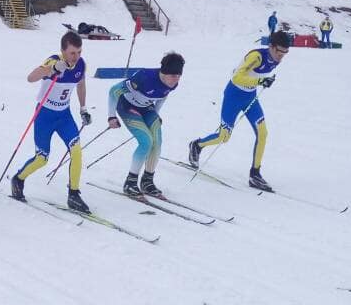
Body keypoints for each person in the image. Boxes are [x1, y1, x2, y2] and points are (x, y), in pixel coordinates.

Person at [187, 31, 290, 191]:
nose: (281, 56)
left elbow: (258, 75)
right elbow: (236, 77)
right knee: (224, 136)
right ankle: (197, 145)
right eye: (279, 51)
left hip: (250, 97)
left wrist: (264, 81)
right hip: (233, 96)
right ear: (270, 46)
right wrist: (261, 80)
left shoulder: (276, 59)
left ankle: (255, 174)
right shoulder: (256, 57)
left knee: (263, 133)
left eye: (285, 53)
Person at [10, 31, 92, 213]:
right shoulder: (53, 61)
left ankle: (74, 194)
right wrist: (53, 69)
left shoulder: (81, 65)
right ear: (63, 51)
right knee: (42, 158)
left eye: (79, 52)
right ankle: (18, 178)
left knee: (77, 151)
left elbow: (80, 84)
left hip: (64, 116)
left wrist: (83, 108)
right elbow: (31, 77)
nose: (76, 57)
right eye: (72, 53)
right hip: (44, 116)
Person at [107, 51, 184, 198]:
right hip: (127, 107)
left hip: (146, 109)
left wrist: (155, 113)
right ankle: (130, 182)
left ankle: (147, 181)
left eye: (179, 75)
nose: (176, 79)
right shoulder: (144, 77)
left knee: (157, 141)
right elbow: (114, 91)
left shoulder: (172, 83)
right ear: (164, 72)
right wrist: (111, 116)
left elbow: (163, 95)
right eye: (173, 75)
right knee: (146, 141)